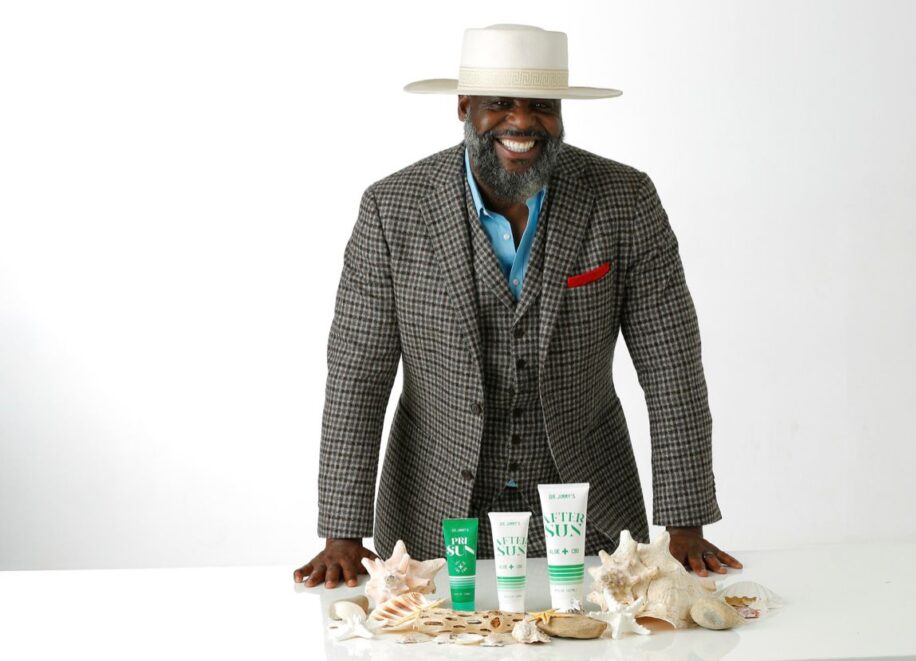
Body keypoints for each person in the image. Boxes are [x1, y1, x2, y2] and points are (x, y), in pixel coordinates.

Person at [294, 24, 742, 590]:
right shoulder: (392, 209)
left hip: (592, 520)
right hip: (432, 523)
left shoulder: (625, 199)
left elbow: (671, 364)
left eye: (541, 106)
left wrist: (684, 523)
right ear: (464, 106)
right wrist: (342, 534)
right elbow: (358, 373)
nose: (522, 121)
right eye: (500, 103)